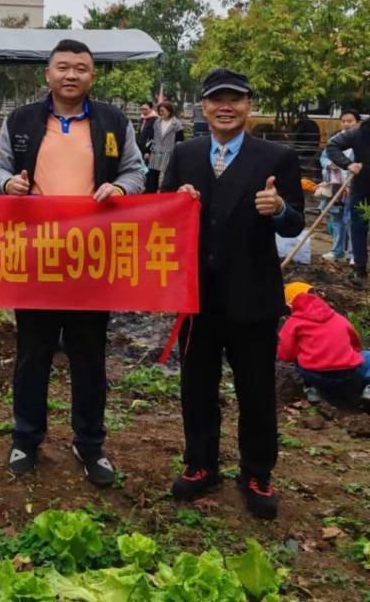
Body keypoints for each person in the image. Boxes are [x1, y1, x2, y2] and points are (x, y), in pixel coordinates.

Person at [0, 39, 145, 487]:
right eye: (62, 67)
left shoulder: (113, 122)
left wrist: (120, 189)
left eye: (80, 68)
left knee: (89, 357)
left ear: (92, 76)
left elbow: (136, 171)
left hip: (91, 259)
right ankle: (26, 438)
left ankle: (90, 443)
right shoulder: (21, 120)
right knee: (32, 354)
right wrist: (6, 184)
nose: (71, 75)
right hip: (34, 257)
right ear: (48, 74)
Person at [162, 68, 304, 520]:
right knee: (197, 387)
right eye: (216, 99)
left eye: (235, 99)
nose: (226, 107)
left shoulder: (276, 158)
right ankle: (200, 463)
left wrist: (278, 208)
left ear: (248, 106)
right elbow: (160, 214)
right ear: (203, 107)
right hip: (197, 297)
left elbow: (295, 223)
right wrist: (176, 200)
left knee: (256, 391)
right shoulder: (185, 154)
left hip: (253, 297)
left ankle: (257, 473)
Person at [278, 281, 370, 409]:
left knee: (299, 356)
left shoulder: (293, 324)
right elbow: (356, 344)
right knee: (367, 356)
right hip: (348, 374)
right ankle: (368, 389)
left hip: (316, 376)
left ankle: (313, 392)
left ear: (289, 305)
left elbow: (285, 356)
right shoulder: (336, 317)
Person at [326, 109, 365, 279]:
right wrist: (347, 164)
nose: (346, 124)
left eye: (350, 120)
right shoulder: (359, 133)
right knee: (352, 223)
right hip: (359, 187)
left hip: (356, 187)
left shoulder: (359, 133)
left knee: (352, 221)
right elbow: (330, 148)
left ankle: (356, 258)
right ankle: (358, 266)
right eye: (344, 120)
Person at [145, 101, 184, 193]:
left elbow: (180, 140)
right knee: (152, 177)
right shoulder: (157, 122)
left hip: (169, 153)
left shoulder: (177, 124)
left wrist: (177, 154)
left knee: (168, 177)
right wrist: (148, 151)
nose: (161, 113)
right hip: (156, 152)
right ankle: (150, 195)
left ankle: (166, 195)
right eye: (159, 111)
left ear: (169, 111)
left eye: (163, 111)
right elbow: (151, 138)